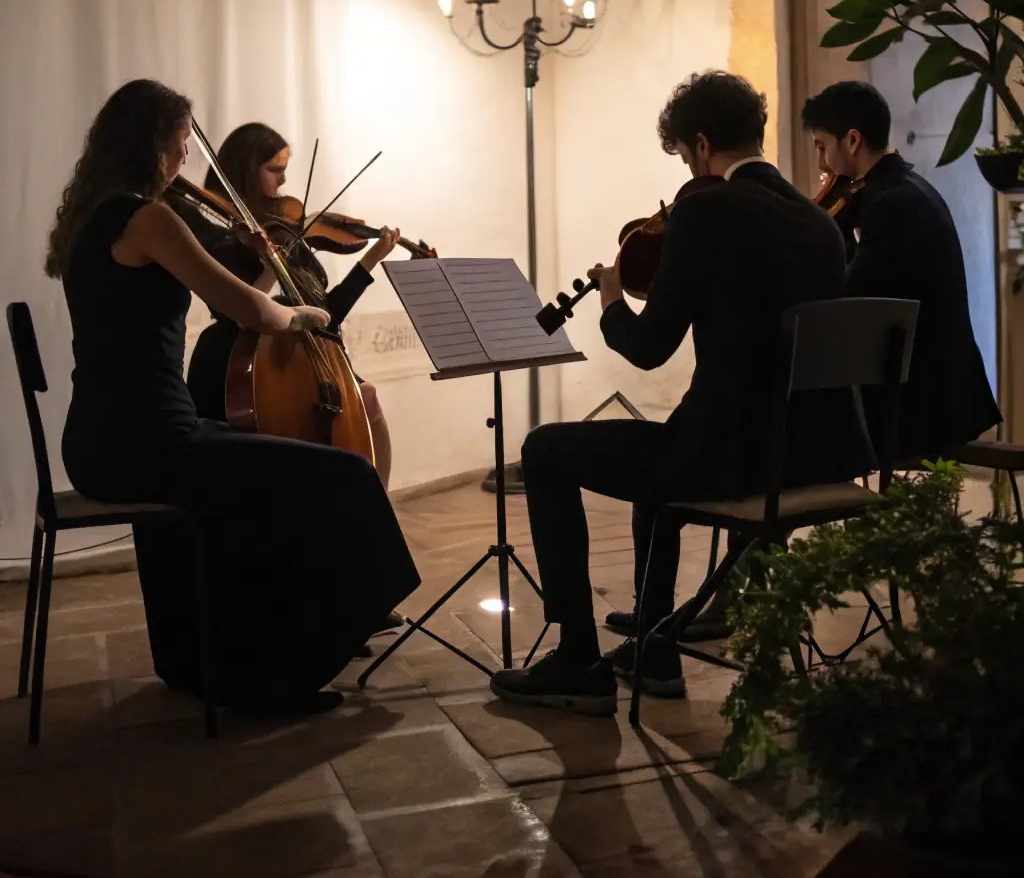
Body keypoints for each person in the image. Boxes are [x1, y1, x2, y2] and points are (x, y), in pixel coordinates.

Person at [490, 71, 875, 716]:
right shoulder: (819, 221)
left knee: (545, 450)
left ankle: (579, 661)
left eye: (682, 156)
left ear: (699, 146)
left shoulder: (705, 207)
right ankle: (654, 644)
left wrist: (611, 298)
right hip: (813, 457)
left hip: (729, 460)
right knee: (658, 451)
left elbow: (648, 349)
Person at [48, 80, 420, 714]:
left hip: (101, 442)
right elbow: (243, 306)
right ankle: (276, 677)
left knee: (255, 472)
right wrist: (304, 317)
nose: (187, 159)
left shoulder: (94, 218)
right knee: (345, 476)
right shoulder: (151, 217)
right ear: (156, 145)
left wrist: (255, 260)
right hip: (155, 441)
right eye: (181, 144)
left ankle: (198, 663)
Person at [181, 123, 398, 489]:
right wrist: (268, 264)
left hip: (297, 353)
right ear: (247, 169)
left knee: (367, 400)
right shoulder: (215, 230)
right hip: (240, 355)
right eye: (274, 170)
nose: (283, 182)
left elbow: (325, 316)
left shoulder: (284, 230)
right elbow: (236, 312)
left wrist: (370, 260)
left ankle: (376, 511)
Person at [802, 79, 1001, 457]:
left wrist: (830, 239)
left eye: (822, 147)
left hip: (927, 400)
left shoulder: (892, 203)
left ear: (853, 141)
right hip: (939, 387)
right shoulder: (906, 187)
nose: (821, 164)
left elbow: (851, 300)